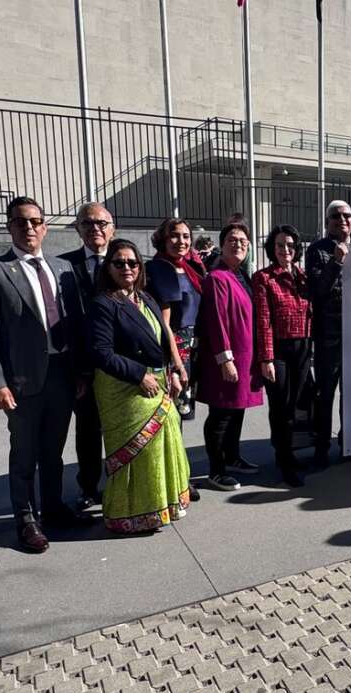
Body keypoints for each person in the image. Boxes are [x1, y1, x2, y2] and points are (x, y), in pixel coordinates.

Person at [0, 196, 91, 554]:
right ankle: (25, 518)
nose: (29, 228)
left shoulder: (62, 268)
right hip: (22, 382)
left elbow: (75, 323)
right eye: (21, 221)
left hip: (63, 375)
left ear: (45, 227)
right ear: (10, 226)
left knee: (53, 451)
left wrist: (81, 372)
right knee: (24, 453)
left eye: (35, 221)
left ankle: (53, 508)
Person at [88, 239, 191, 534]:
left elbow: (162, 337)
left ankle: (165, 505)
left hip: (156, 380)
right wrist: (138, 375)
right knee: (143, 449)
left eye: (132, 263)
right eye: (119, 263)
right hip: (123, 388)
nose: (127, 268)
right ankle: (129, 514)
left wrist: (174, 369)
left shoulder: (146, 299)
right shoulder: (103, 303)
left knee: (168, 433)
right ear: (108, 267)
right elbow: (101, 353)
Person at [196, 222, 263, 489]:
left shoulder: (240, 275)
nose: (238, 245)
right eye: (232, 240)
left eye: (243, 241)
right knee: (221, 415)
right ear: (221, 245)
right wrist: (225, 359)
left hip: (244, 357)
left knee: (237, 411)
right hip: (228, 359)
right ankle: (216, 469)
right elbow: (217, 320)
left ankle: (233, 457)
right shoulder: (217, 278)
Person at [58, 202, 114, 512]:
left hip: (119, 365)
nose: (96, 229)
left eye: (102, 223)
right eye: (88, 223)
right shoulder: (63, 265)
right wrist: (78, 370)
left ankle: (121, 484)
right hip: (85, 367)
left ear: (112, 228)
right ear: (78, 228)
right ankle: (89, 487)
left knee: (120, 428)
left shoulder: (124, 261)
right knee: (88, 430)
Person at [145, 218, 208, 486]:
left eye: (185, 236)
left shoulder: (189, 267)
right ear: (162, 238)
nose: (180, 241)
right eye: (174, 235)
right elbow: (165, 325)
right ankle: (176, 480)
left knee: (180, 417)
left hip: (191, 349)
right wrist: (176, 365)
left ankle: (178, 476)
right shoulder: (160, 269)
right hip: (174, 350)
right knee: (170, 417)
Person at [253, 225, 312, 487]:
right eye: (279, 245)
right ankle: (284, 459)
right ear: (271, 249)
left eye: (290, 245)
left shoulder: (302, 276)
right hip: (278, 349)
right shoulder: (264, 278)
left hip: (302, 347)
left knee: (295, 405)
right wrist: (266, 358)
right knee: (281, 407)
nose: (285, 250)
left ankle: (287, 453)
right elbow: (263, 320)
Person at [306, 200, 351, 468]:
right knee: (326, 394)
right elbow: (318, 290)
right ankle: (321, 447)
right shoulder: (317, 250)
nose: (342, 220)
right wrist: (336, 262)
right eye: (335, 216)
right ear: (327, 222)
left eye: (347, 216)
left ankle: (349, 444)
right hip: (328, 337)